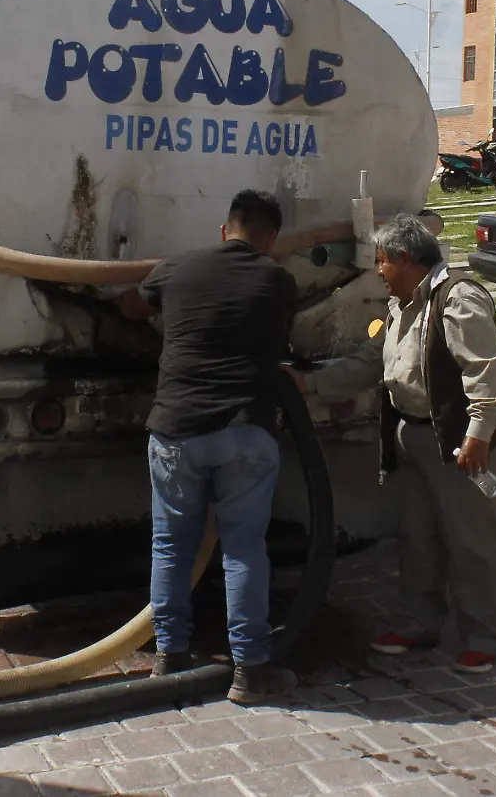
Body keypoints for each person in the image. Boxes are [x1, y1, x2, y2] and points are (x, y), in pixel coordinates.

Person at [297, 214, 496, 674]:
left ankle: (484, 637)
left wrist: (477, 437)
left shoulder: (458, 299)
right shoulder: (401, 305)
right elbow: (371, 363)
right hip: (416, 438)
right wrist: (309, 382)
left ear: (402, 258)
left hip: (463, 445)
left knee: (474, 540)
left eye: (381, 261)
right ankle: (420, 623)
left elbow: (488, 374)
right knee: (418, 537)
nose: (378, 271)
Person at [123, 189, 300, 704]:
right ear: (272, 239)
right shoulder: (278, 280)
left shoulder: (177, 268)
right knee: (243, 551)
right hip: (246, 431)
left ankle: (169, 656)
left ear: (225, 229)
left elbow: (133, 305)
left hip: (178, 429)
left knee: (171, 546)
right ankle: (249, 671)